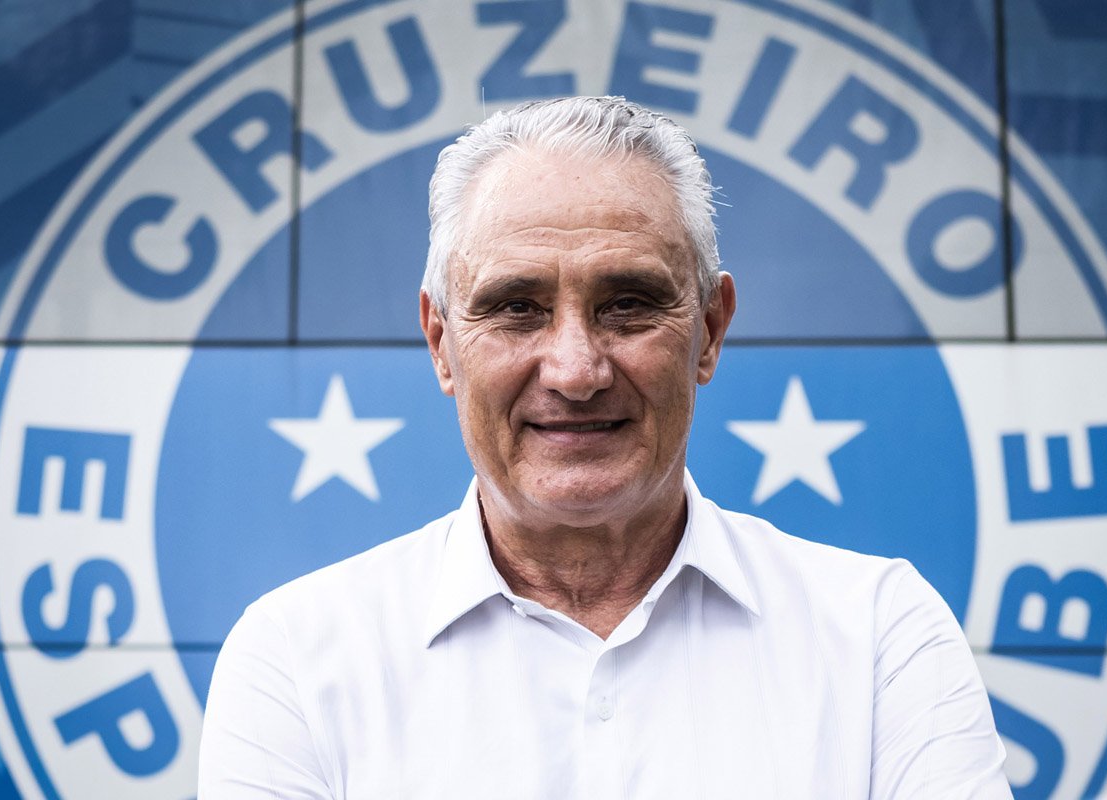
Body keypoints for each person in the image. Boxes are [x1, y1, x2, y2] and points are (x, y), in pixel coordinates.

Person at [199, 96, 1011, 798]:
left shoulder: (879, 637)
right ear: (442, 344)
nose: (576, 370)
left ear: (709, 331)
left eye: (628, 304)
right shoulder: (297, 658)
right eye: (516, 308)